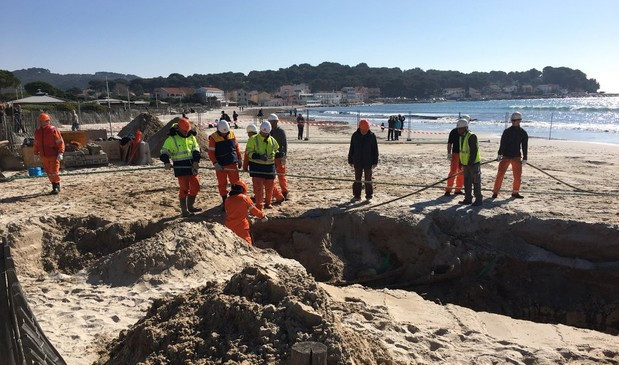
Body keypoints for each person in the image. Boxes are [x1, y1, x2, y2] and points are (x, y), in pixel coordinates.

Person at [160, 118, 202, 217]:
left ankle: (190, 206)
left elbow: (196, 149)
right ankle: (184, 211)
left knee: (196, 186)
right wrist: (166, 162)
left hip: (192, 166)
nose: (185, 133)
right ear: (179, 129)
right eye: (184, 131)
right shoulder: (171, 139)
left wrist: (196, 161)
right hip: (180, 167)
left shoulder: (191, 137)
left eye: (187, 131)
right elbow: (164, 152)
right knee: (184, 189)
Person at [492, 112, 529, 199]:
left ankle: (515, 192)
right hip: (506, 156)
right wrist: (499, 154)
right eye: (513, 120)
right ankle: (495, 192)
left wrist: (525, 157)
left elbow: (524, 146)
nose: (513, 122)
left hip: (516, 156)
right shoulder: (507, 131)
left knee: (517, 176)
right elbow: (503, 144)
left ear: (519, 121)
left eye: (515, 120)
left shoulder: (523, 133)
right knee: (500, 174)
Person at [208, 120, 243, 209]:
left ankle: (235, 200)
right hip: (221, 165)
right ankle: (225, 202)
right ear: (218, 131)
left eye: (226, 133)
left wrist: (239, 159)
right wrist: (215, 163)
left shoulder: (231, 134)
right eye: (223, 133)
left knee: (236, 182)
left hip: (232, 163)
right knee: (222, 184)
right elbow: (211, 152)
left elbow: (236, 147)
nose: (225, 135)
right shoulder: (213, 137)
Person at [245, 121, 279, 210]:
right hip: (257, 167)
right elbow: (249, 152)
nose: (264, 134)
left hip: (269, 167)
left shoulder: (272, 140)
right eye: (263, 132)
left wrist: (279, 154)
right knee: (258, 188)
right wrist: (258, 156)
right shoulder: (253, 139)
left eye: (266, 133)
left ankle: (268, 203)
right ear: (260, 130)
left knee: (270, 187)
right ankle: (259, 205)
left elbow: (276, 149)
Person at [225, 181, 267, 245]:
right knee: (247, 245)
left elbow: (230, 211)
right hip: (241, 227)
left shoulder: (227, 200)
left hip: (229, 227)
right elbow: (254, 210)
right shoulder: (244, 198)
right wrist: (262, 216)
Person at [33, 113, 65, 194]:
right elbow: (36, 143)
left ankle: (56, 187)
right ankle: (54, 186)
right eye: (40, 121)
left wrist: (60, 152)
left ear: (47, 121)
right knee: (49, 172)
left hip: (53, 154)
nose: (41, 123)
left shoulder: (53, 130)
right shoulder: (38, 131)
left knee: (54, 172)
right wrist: (36, 153)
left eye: (42, 121)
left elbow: (60, 142)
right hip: (44, 155)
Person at [348, 119, 378, 201]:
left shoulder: (372, 136)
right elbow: (352, 148)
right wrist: (350, 160)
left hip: (368, 161)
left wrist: (375, 161)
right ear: (360, 128)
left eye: (366, 128)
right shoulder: (355, 135)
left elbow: (375, 150)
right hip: (357, 160)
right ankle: (357, 196)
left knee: (368, 179)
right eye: (363, 129)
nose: (365, 130)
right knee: (357, 179)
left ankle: (369, 196)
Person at [457, 118, 482, 207]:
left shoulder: (471, 136)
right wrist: (460, 162)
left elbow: (474, 151)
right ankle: (468, 198)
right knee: (467, 182)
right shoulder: (461, 137)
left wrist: (470, 163)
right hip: (465, 164)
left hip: (473, 164)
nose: (458, 130)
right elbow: (462, 151)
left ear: (465, 128)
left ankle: (478, 199)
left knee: (476, 181)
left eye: (459, 128)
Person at [268, 113, 289, 201]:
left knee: (281, 175)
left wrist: (284, 156)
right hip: (270, 157)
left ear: (276, 122)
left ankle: (284, 191)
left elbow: (284, 144)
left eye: (272, 121)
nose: (271, 123)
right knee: (271, 176)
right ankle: (274, 192)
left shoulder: (280, 131)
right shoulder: (267, 131)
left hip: (279, 156)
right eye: (270, 121)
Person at [444, 119, 466, 196]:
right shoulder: (453, 132)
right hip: (455, 153)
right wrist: (449, 153)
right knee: (453, 171)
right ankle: (448, 189)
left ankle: (458, 189)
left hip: (463, 155)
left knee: (461, 172)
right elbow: (450, 143)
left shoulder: (467, 133)